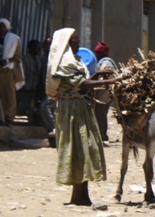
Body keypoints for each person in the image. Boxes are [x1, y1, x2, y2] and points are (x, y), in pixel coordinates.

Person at [47, 28, 116, 206]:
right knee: (77, 149)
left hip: (80, 109)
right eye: (74, 42)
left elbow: (80, 83)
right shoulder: (63, 63)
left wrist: (98, 76)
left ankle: (82, 195)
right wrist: (107, 82)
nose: (77, 44)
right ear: (65, 44)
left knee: (84, 149)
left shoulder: (75, 61)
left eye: (78, 41)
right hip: (71, 111)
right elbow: (80, 84)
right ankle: (77, 196)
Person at [0, 19, 24, 127]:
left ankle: (9, 119)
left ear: (7, 27)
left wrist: (7, 61)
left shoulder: (14, 39)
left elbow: (18, 57)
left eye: (3, 26)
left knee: (9, 95)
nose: (1, 28)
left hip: (7, 71)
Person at [92, 41, 118, 142]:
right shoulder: (106, 61)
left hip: (102, 94)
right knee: (102, 114)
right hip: (105, 94)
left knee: (100, 115)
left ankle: (102, 136)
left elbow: (105, 74)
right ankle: (103, 135)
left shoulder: (105, 62)